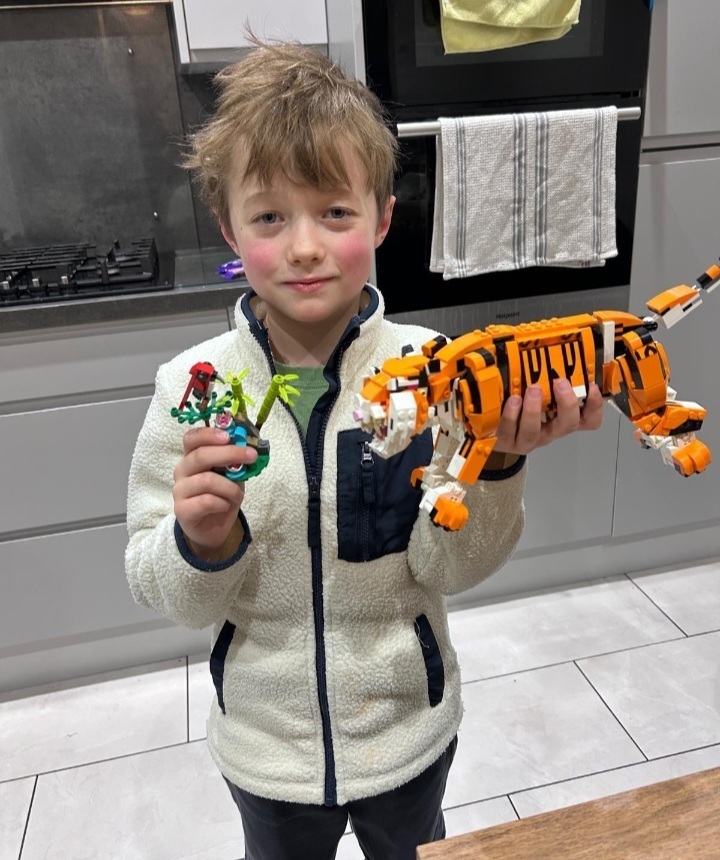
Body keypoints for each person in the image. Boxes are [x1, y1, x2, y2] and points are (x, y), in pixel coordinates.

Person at [125, 40, 604, 860]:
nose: (304, 246)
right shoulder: (191, 388)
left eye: (335, 213)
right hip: (268, 753)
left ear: (382, 217)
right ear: (228, 225)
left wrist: (494, 465)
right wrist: (198, 542)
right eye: (270, 217)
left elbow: (449, 567)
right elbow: (161, 587)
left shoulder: (434, 371)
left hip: (408, 735)